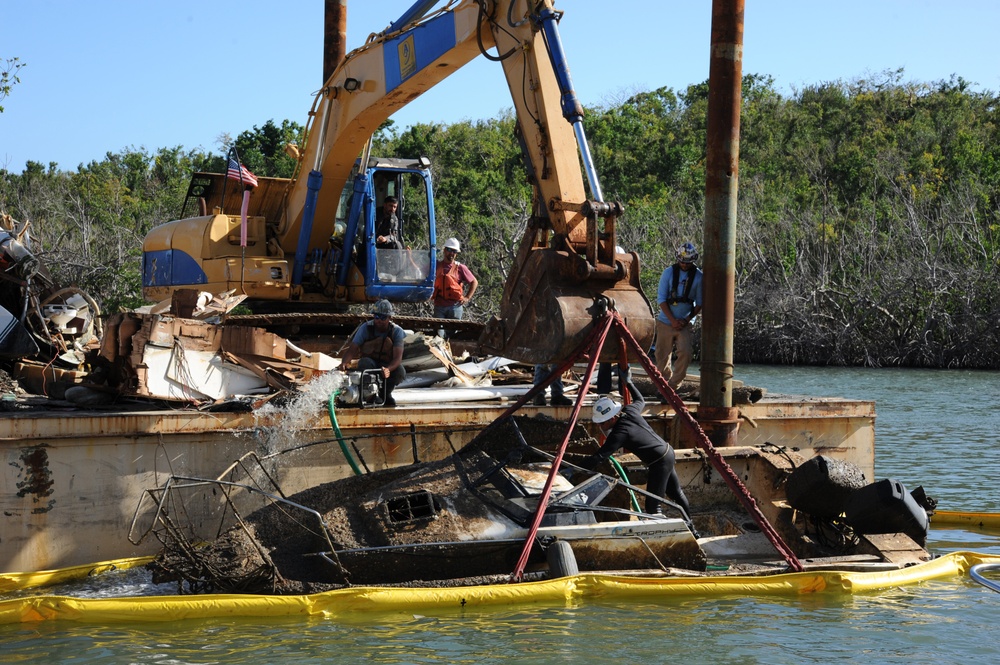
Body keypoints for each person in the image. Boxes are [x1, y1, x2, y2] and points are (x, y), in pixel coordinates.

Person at [582, 377, 691, 518]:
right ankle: (691, 528)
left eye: (602, 423)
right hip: (667, 452)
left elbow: (599, 456)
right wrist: (629, 382)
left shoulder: (619, 434)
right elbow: (640, 400)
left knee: (652, 507)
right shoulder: (629, 411)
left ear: (613, 418)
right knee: (675, 493)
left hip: (659, 461)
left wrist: (571, 468)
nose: (600, 426)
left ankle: (663, 534)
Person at [339, 299, 406, 407]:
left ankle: (386, 394)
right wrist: (344, 363)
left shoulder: (396, 331)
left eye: (383, 318)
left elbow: (397, 358)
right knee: (365, 363)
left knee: (400, 371)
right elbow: (352, 349)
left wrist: (388, 369)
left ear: (390, 318)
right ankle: (370, 395)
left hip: (386, 365)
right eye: (376, 317)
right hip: (370, 364)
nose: (379, 320)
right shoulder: (365, 328)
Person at [655, 242, 703, 390]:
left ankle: (673, 386)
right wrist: (672, 320)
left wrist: (686, 320)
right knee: (661, 356)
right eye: (682, 262)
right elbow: (661, 299)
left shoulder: (699, 277)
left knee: (686, 354)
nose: (684, 265)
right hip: (665, 321)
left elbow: (700, 303)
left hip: (685, 323)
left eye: (687, 262)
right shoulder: (668, 273)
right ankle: (663, 386)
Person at [432, 237, 477, 320]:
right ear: (444, 250)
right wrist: (409, 256)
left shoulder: (460, 267)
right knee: (438, 332)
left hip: (455, 307)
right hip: (439, 306)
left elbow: (474, 281)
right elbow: (420, 270)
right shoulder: (436, 265)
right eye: (449, 250)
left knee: (453, 333)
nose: (452, 253)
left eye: (454, 251)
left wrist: (467, 297)